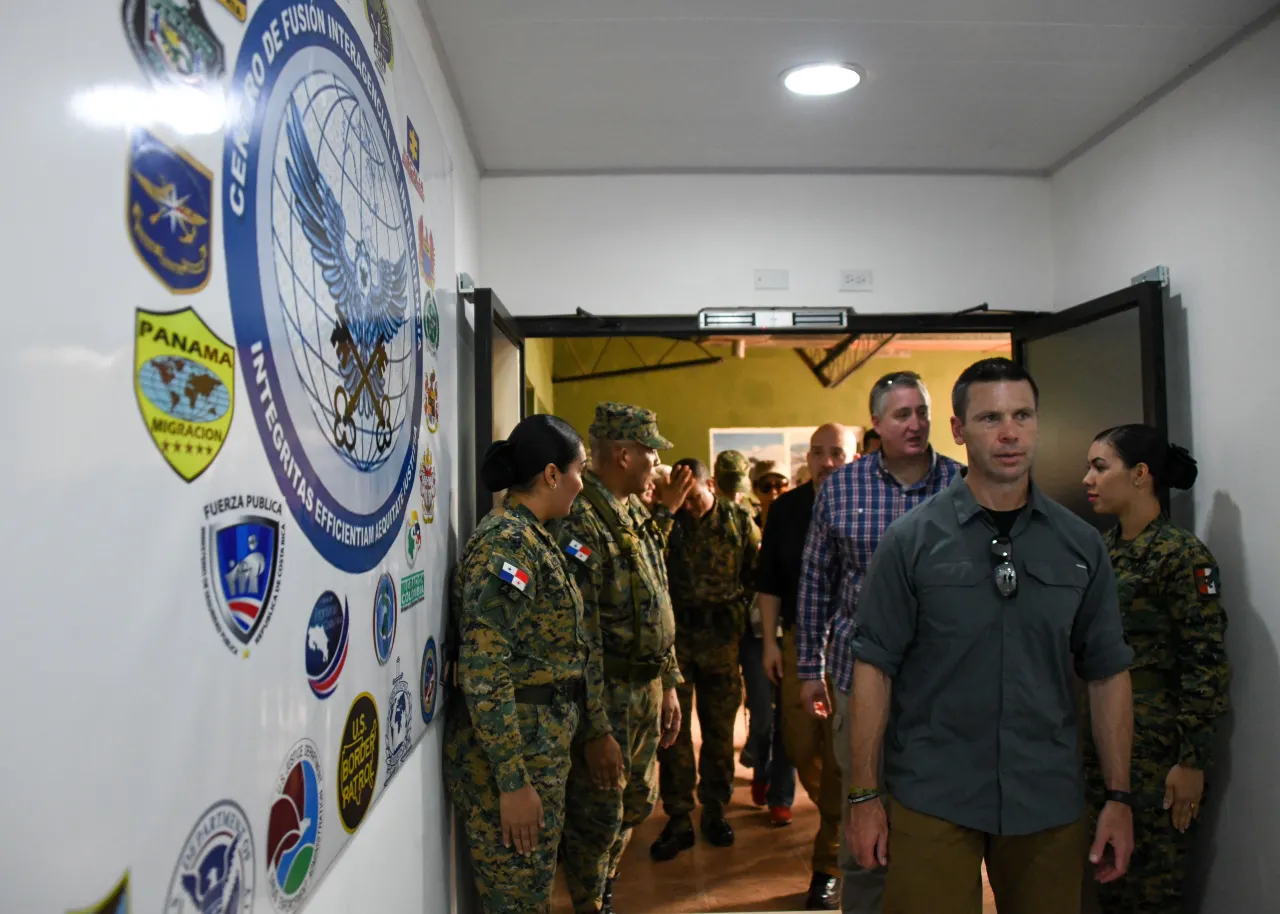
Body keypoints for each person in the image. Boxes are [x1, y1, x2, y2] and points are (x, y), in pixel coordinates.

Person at [845, 358, 1137, 914]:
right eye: (990, 418)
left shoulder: (1080, 545)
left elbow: (1107, 671)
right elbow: (873, 668)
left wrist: (1119, 798)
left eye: (1022, 415)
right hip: (933, 792)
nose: (1009, 433)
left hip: (1045, 796)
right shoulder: (911, 542)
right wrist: (863, 796)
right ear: (957, 429)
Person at [796, 371, 964, 914]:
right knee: (863, 808)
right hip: (856, 678)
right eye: (901, 415)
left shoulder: (962, 485)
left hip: (945, 685)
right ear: (876, 424)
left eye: (921, 412)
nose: (915, 424)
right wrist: (807, 668)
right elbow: (816, 581)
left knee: (942, 819)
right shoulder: (842, 489)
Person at [443, 415, 598, 914]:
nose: (582, 482)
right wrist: (512, 782)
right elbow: (484, 667)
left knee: (530, 896)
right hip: (513, 763)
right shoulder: (509, 543)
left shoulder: (533, 536)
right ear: (552, 474)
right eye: (579, 470)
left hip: (538, 750)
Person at [1082, 424, 1230, 914]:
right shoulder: (1103, 552)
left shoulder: (1180, 555)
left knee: (1150, 895)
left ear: (1141, 474)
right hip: (1103, 747)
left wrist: (1191, 761)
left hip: (1157, 752)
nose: (1089, 478)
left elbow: (1204, 662)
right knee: (1105, 887)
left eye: (1101, 467)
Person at [555, 403, 697, 914]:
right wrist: (594, 730)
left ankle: (606, 892)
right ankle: (592, 904)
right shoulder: (581, 520)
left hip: (646, 691)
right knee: (598, 817)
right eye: (651, 451)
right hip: (607, 698)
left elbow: (655, 598)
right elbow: (581, 636)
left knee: (635, 804)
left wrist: (671, 684)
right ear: (623, 453)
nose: (657, 462)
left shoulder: (634, 510)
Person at [758, 423, 857, 910]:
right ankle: (844, 815)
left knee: (843, 753)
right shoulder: (787, 508)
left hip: (856, 646)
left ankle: (831, 862)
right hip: (800, 642)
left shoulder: (867, 502)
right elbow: (770, 581)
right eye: (818, 453)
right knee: (799, 746)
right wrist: (771, 644)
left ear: (854, 456)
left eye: (837, 452)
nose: (827, 461)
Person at [651, 455, 761, 859]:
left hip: (720, 642)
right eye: (683, 497)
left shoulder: (736, 521)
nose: (690, 505)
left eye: (694, 495)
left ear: (710, 485)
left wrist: (738, 611)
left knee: (718, 733)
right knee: (673, 735)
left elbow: (756, 573)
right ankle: (678, 817)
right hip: (676, 644)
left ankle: (715, 811)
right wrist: (667, 509)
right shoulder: (665, 522)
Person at [740, 460, 797, 825]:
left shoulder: (797, 522)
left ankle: (781, 796)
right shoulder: (743, 527)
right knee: (761, 717)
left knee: (789, 720)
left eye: (780, 484)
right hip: (754, 636)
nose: (773, 491)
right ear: (754, 488)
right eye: (765, 485)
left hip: (790, 633)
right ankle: (759, 768)